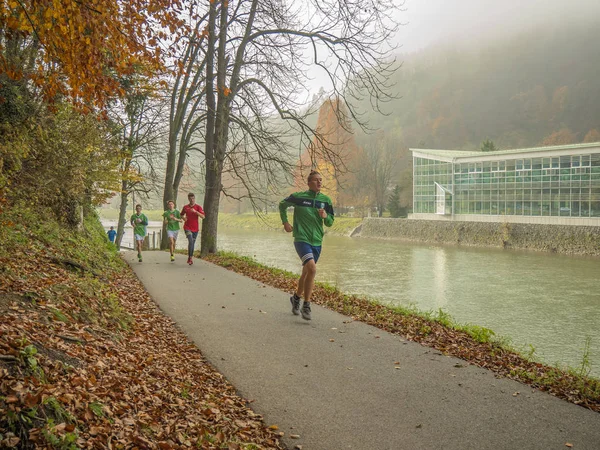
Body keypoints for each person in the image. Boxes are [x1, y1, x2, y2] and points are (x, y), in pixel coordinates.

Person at [279, 170, 334, 320]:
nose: (319, 183)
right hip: (301, 239)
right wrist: (285, 222)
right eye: (316, 180)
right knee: (312, 269)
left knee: (306, 272)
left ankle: (296, 298)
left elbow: (330, 221)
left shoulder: (326, 201)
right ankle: (307, 305)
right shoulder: (299, 197)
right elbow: (282, 204)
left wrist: (325, 216)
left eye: (321, 180)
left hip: (317, 241)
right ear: (309, 183)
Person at [180, 193, 205, 265]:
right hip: (187, 227)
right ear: (188, 199)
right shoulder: (185, 207)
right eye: (190, 199)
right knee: (191, 241)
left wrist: (196, 212)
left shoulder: (198, 207)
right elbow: (181, 214)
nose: (192, 200)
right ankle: (190, 258)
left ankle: (189, 257)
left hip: (195, 228)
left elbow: (203, 217)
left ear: (195, 198)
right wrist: (184, 218)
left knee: (192, 243)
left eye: (193, 198)